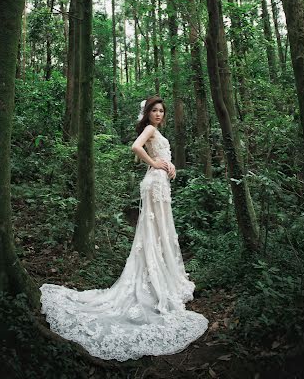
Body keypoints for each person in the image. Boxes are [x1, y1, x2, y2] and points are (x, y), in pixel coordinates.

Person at [40, 96, 208, 361]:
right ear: (147, 114)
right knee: (155, 232)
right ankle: (154, 281)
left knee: (160, 231)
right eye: (154, 110)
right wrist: (154, 165)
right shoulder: (149, 130)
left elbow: (160, 154)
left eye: (161, 111)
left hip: (159, 183)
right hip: (153, 183)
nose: (158, 114)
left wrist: (169, 165)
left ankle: (159, 278)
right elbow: (136, 147)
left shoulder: (157, 132)